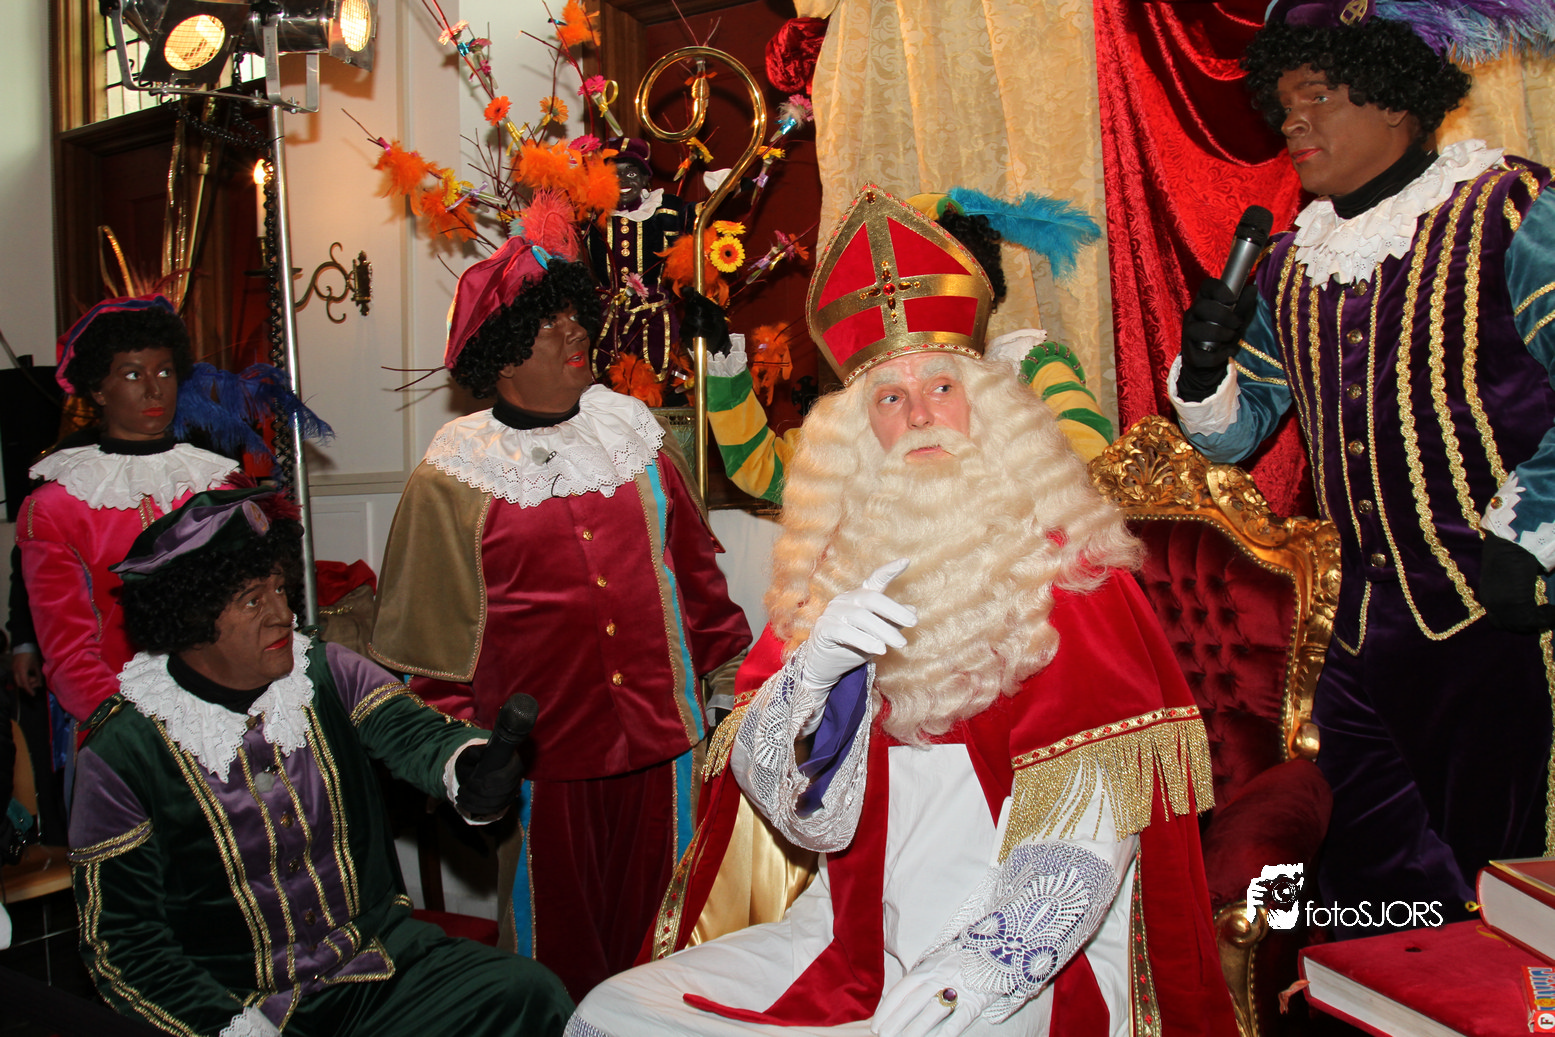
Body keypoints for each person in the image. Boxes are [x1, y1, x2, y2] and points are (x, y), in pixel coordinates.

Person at [568, 186, 1236, 1036]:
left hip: (1033, 944)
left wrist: (980, 966)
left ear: (988, 408)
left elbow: (1090, 824)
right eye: (889, 397)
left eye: (942, 386)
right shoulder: (832, 577)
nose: (920, 413)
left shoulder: (1070, 569)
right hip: (857, 930)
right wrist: (815, 677)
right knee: (614, 1009)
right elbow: (803, 817)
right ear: (859, 435)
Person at [1169, 0, 1555, 935]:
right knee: (1357, 892)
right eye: (1283, 104)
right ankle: (1354, 993)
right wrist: (1207, 372)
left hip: (1496, 622)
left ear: (1395, 97)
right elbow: (1236, 437)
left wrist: (1533, 530)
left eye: (1318, 97)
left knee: (1512, 891)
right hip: (1352, 640)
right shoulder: (1291, 260)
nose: (1291, 122)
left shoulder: (1510, 208)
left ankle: (1527, 1004)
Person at [368, 234, 752, 1000]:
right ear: (504, 353)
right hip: (542, 773)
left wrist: (741, 692)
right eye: (549, 322)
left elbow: (699, 585)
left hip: (666, 747)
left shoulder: (637, 439)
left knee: (674, 951)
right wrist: (461, 762)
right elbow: (432, 653)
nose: (575, 329)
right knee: (558, 964)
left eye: (577, 314)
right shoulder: (453, 476)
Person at [66, 487, 572, 1036]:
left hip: (381, 967)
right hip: (242, 1007)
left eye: (280, 589)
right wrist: (230, 1028)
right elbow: (125, 945)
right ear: (189, 621)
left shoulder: (324, 672)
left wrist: (466, 764)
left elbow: (412, 731)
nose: (284, 614)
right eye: (253, 601)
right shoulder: (122, 753)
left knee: (529, 994)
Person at [704, 192, 1113, 505]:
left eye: (942, 388)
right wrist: (722, 363)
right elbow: (763, 469)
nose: (919, 416)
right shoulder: (874, 402)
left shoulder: (1030, 366)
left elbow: (1094, 466)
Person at [16, 296, 239, 724]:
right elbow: (68, 655)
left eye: (164, 371)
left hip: (225, 710)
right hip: (117, 720)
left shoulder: (219, 484)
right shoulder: (55, 506)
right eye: (133, 374)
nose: (154, 389)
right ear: (98, 389)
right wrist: (131, 731)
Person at [584, 137, 695, 382]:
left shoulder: (665, 211)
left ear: (645, 179)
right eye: (614, 174)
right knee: (603, 379)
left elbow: (703, 217)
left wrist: (735, 186)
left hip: (654, 316)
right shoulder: (590, 217)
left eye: (631, 173)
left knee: (657, 378)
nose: (623, 180)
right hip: (605, 316)